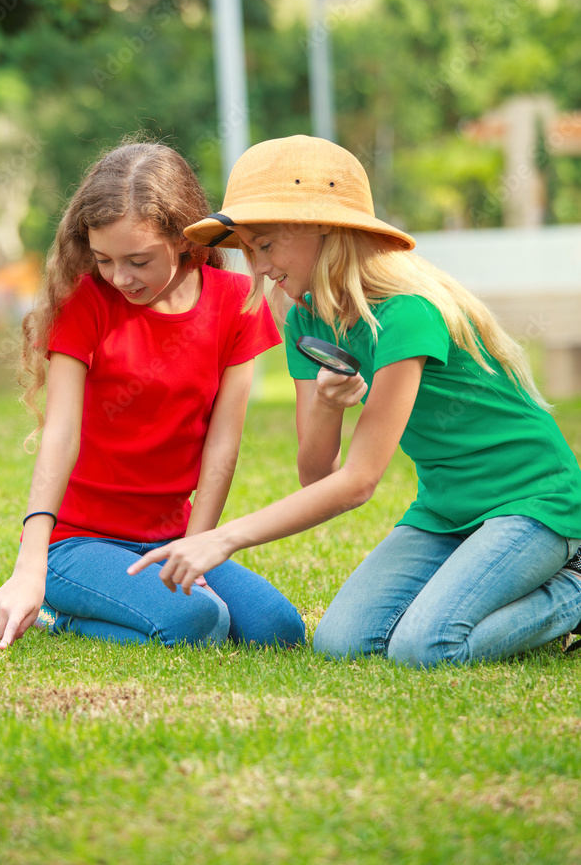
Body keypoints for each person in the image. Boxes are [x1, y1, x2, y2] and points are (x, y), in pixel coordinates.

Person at [129, 134, 581, 667]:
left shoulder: (408, 312)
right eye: (248, 249)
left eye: (267, 243)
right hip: (446, 511)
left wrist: (222, 539)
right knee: (341, 644)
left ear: (325, 226)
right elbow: (318, 475)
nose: (258, 266)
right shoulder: (306, 319)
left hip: (532, 505)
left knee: (425, 648)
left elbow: (360, 481)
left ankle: (571, 593)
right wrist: (328, 404)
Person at [0, 141, 305, 651]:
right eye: (105, 260)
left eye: (138, 260)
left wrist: (197, 549)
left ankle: (154, 597)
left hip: (169, 536)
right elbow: (61, 434)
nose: (120, 278)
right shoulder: (87, 302)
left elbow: (223, 447)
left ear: (185, 239)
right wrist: (32, 563)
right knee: (199, 621)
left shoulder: (236, 301)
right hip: (77, 542)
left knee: (278, 631)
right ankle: (57, 611)